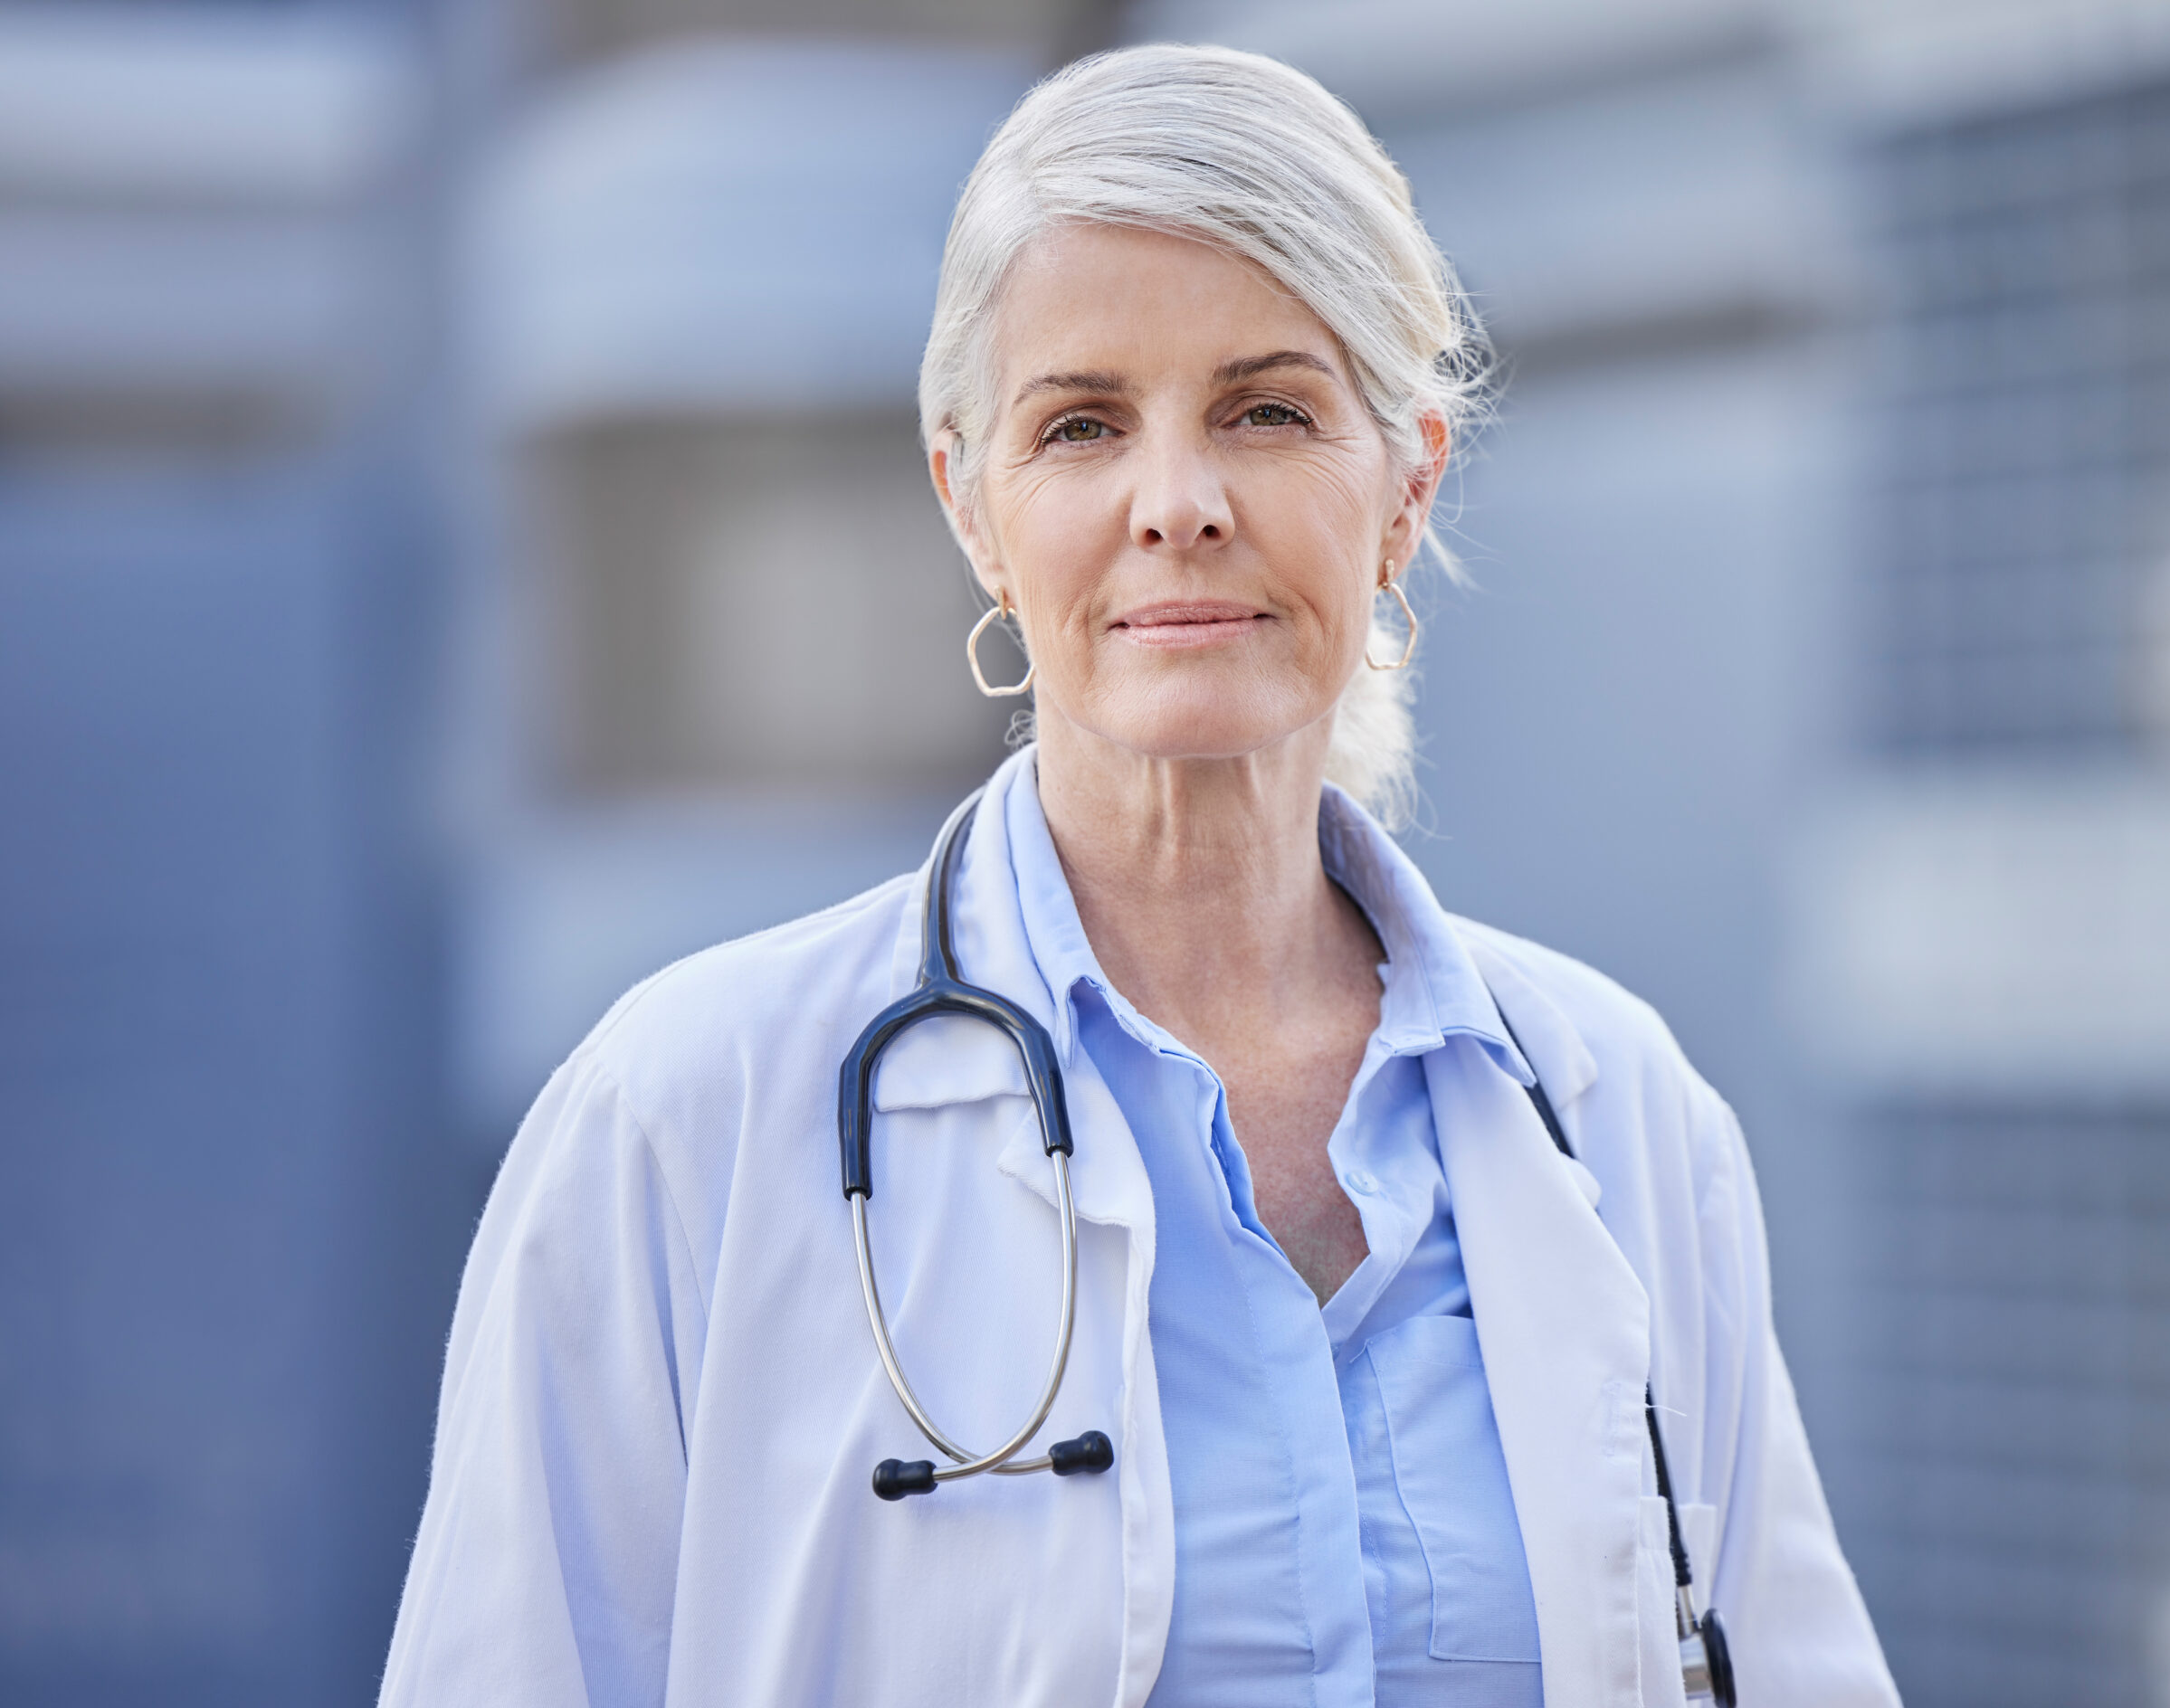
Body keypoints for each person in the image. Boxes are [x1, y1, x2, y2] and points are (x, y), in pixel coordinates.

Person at [380, 43, 1899, 1708]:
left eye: (1268, 410)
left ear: (1409, 484)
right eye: (1084, 425)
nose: (1177, 504)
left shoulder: (1627, 1126)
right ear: (973, 506)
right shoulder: (684, 1128)